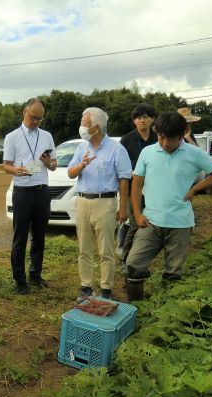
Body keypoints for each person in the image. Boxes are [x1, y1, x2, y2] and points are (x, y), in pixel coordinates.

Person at [124, 111, 212, 300]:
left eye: (171, 140)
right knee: (133, 263)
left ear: (183, 135)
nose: (165, 143)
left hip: (180, 223)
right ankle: (136, 307)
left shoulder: (194, 153)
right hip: (151, 221)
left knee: (173, 272)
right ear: (157, 132)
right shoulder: (148, 152)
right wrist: (138, 214)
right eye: (161, 138)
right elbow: (137, 183)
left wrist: (196, 188)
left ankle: (167, 310)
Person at [68, 107, 132, 301]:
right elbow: (71, 172)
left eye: (84, 123)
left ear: (95, 127)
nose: (81, 127)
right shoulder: (81, 148)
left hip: (105, 202)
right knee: (84, 248)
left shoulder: (116, 149)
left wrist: (123, 208)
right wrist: (82, 164)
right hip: (82, 201)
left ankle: (106, 290)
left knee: (106, 249)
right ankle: (86, 287)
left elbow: (124, 179)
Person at [3, 98, 57, 294]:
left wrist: (48, 162)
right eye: (33, 117)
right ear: (24, 112)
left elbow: (54, 165)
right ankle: (19, 279)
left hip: (42, 190)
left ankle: (35, 274)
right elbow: (6, 165)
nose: (36, 121)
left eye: (40, 119)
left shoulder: (47, 136)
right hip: (23, 191)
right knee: (20, 236)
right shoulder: (12, 137)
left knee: (40, 235)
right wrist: (16, 170)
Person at [119, 103, 158, 268]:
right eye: (138, 117)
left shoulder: (158, 138)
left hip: (153, 188)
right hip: (131, 188)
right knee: (135, 224)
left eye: (145, 117)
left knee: (149, 223)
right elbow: (121, 167)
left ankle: (140, 258)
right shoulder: (126, 140)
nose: (142, 120)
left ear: (152, 119)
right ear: (134, 121)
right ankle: (125, 258)